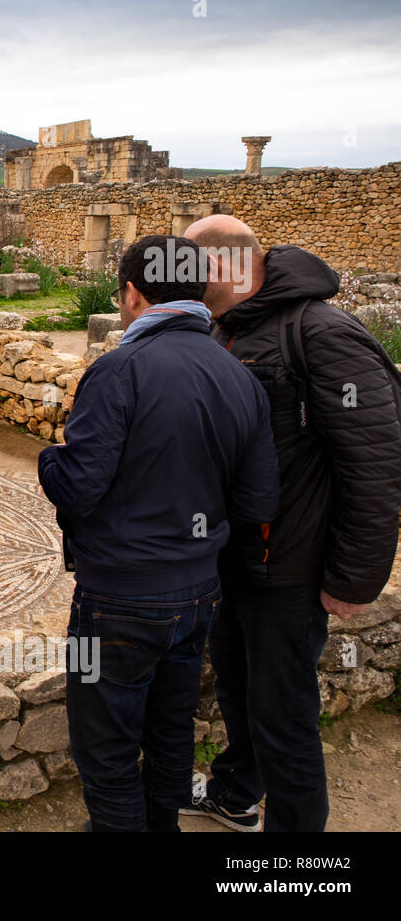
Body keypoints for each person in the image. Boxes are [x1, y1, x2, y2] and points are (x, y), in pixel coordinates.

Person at [37, 234, 279, 832]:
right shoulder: (238, 373)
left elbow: (78, 487)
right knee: (171, 729)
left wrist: (50, 459)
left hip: (119, 597)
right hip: (198, 593)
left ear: (133, 294)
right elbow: (257, 500)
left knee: (106, 743)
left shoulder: (119, 370)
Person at [183, 215, 401, 832]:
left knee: (283, 715)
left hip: (291, 568)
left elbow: (376, 464)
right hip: (234, 558)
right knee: (239, 690)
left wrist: (354, 578)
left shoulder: (323, 333)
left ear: (222, 266)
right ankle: (234, 794)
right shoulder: (227, 331)